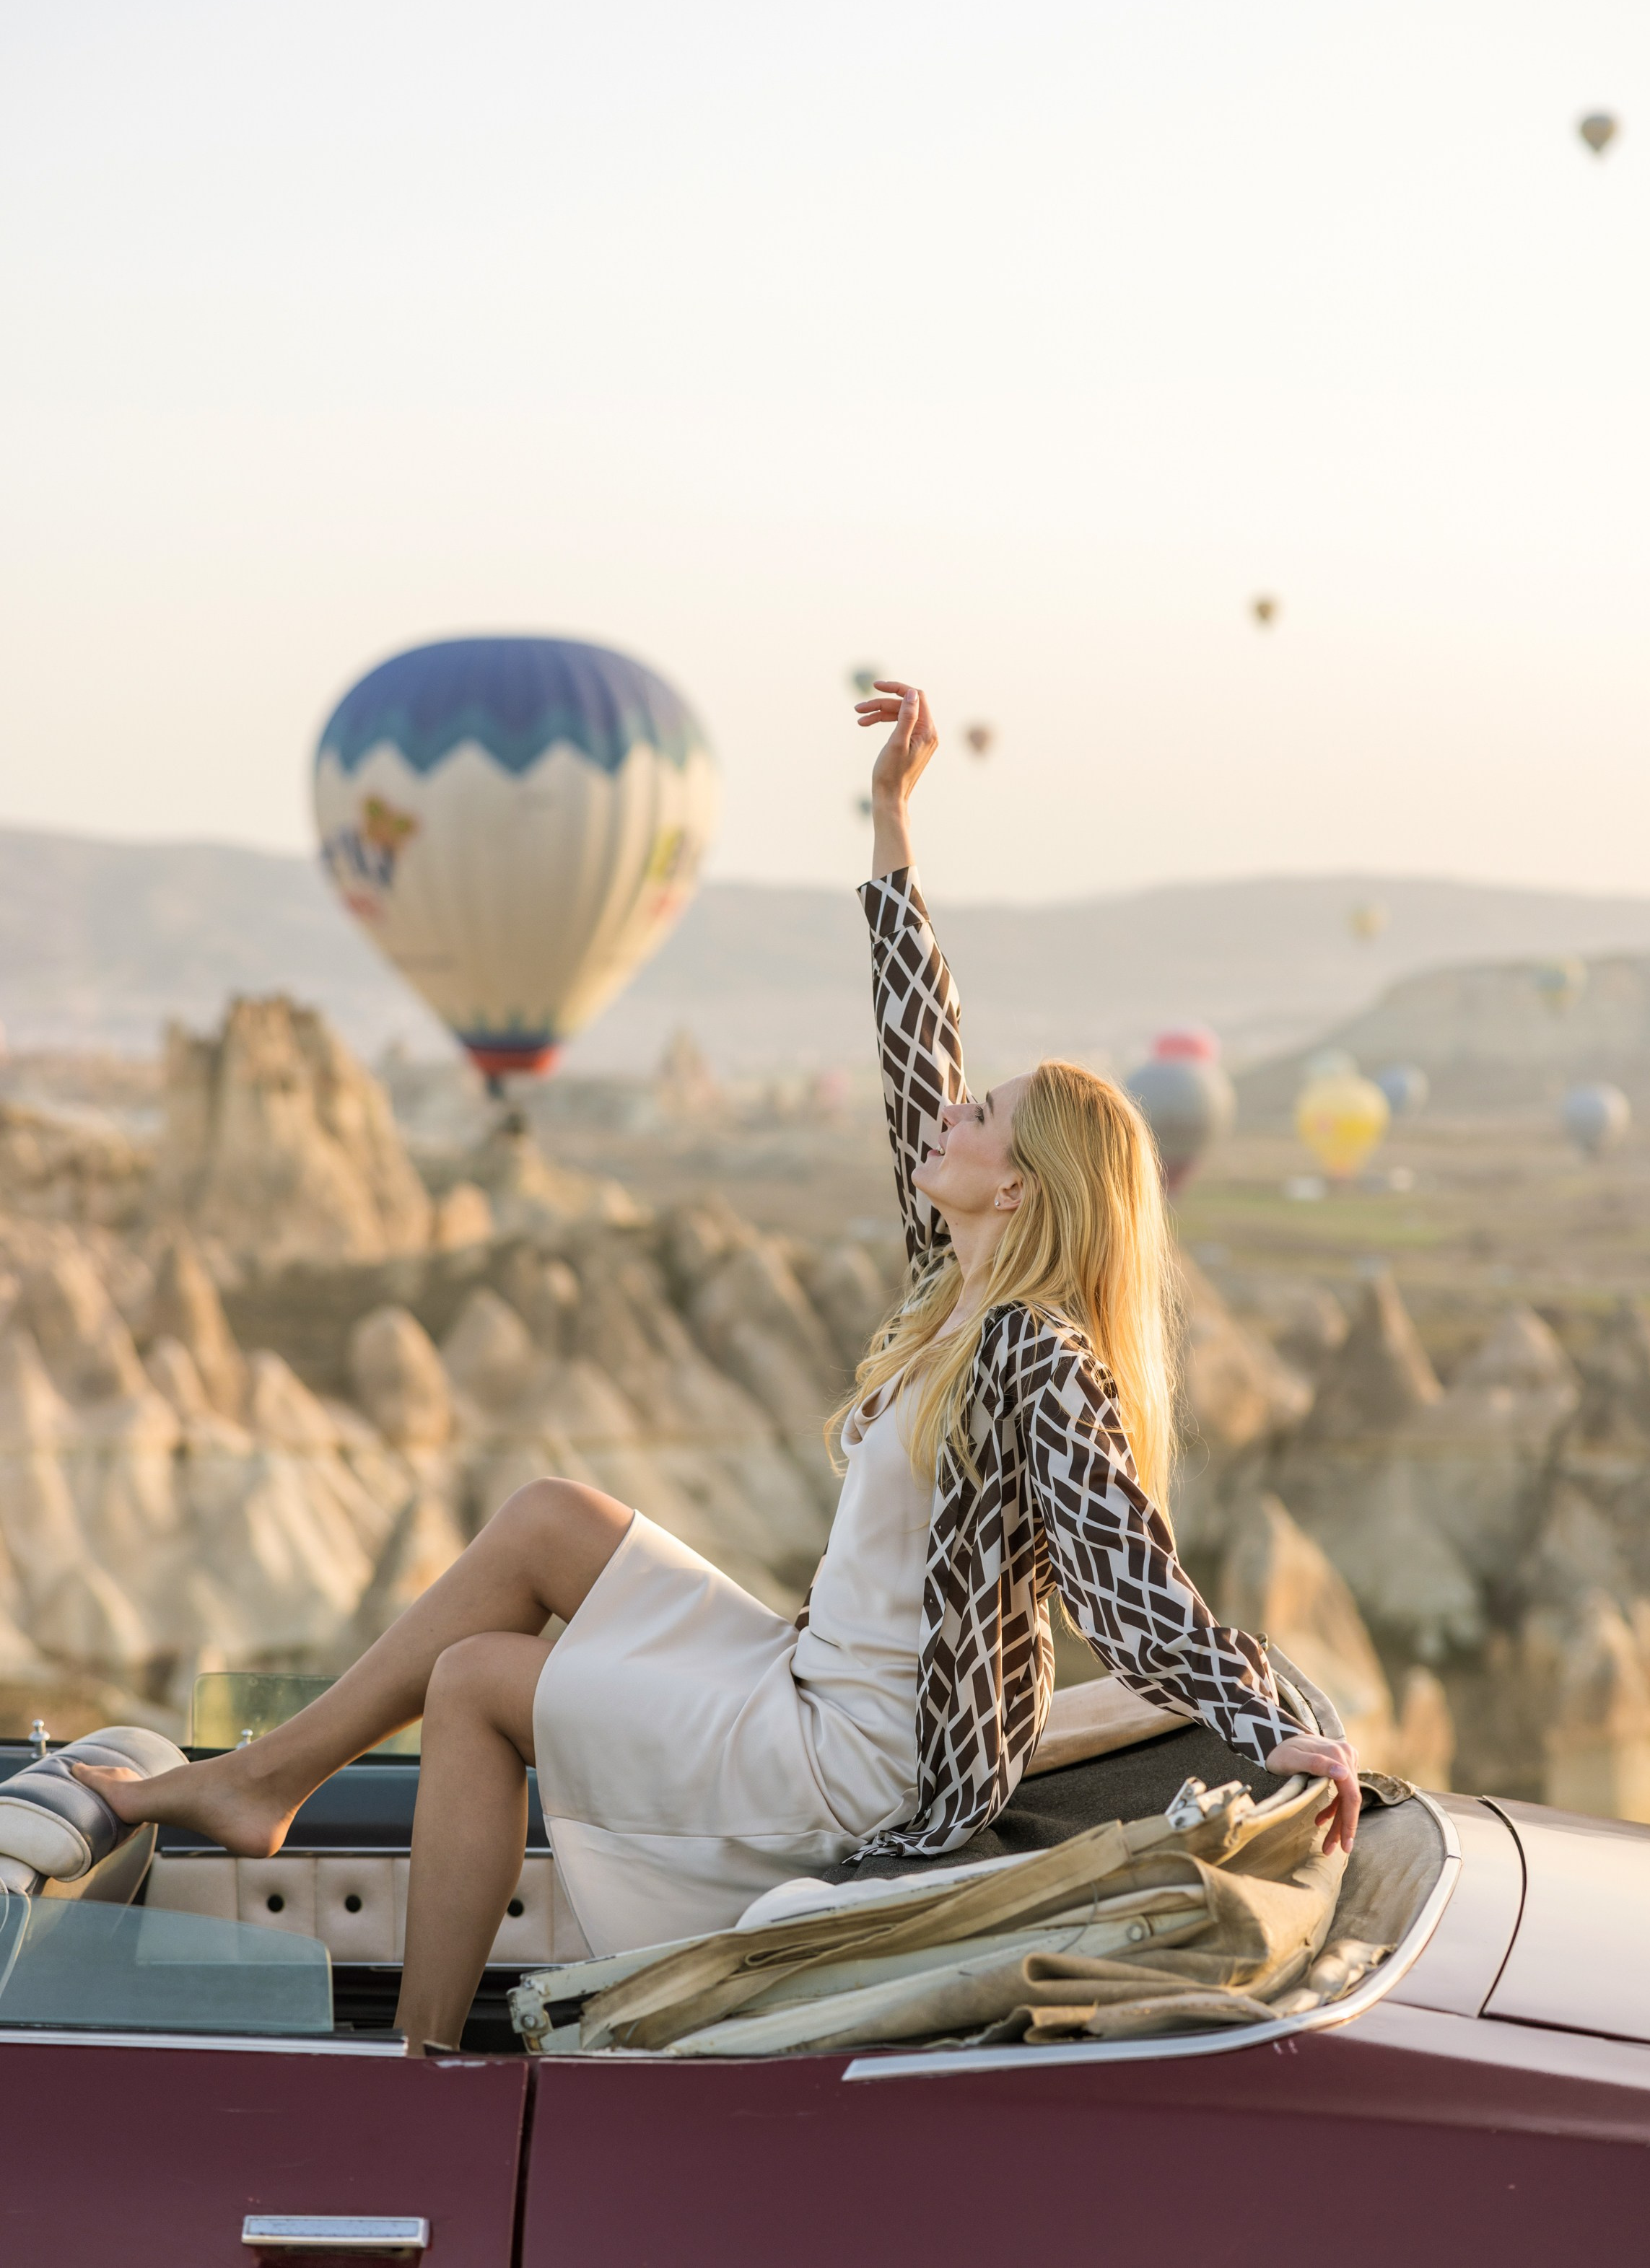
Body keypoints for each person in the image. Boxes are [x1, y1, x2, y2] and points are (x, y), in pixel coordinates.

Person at [74, 680, 1357, 2050]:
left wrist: (1260, 1716)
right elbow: (913, 1061)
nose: (953, 1115)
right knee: (549, 1517)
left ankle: (425, 2063)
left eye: (983, 1118)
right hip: (806, 1674)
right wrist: (890, 834)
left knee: (474, 1684)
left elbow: (1124, 1566)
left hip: (853, 1759)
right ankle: (266, 1780)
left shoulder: (1034, 1355)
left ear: (1024, 1193)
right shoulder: (957, 1293)